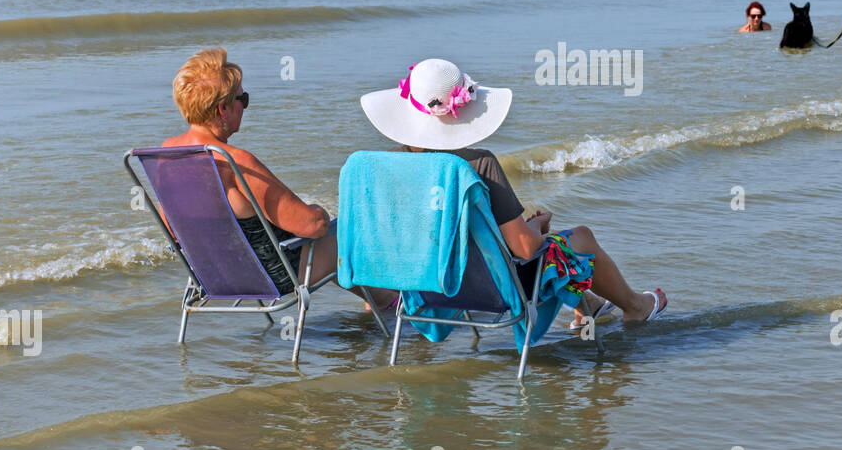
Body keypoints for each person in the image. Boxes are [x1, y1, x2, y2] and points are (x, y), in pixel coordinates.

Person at [359, 58, 667, 324]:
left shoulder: (388, 166)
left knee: (544, 248)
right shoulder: (477, 164)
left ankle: (590, 306)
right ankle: (635, 307)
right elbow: (524, 249)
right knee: (577, 238)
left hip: (423, 285)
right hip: (485, 287)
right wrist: (537, 225)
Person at [164, 47, 396, 311]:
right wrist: (319, 213)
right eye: (243, 99)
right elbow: (312, 226)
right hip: (271, 275)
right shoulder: (235, 162)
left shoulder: (166, 157)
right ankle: (393, 304)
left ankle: (380, 299)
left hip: (213, 276)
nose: (245, 106)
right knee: (347, 229)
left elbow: (173, 230)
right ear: (223, 109)